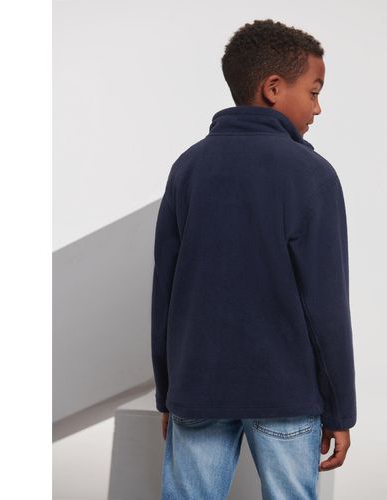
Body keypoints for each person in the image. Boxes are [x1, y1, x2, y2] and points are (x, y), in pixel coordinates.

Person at [151, 18, 357, 499]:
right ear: (273, 88)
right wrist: (340, 410)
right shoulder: (311, 174)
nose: (318, 107)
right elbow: (326, 304)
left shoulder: (189, 167)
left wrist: (169, 393)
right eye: (314, 92)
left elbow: (165, 293)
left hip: (198, 386)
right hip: (286, 393)